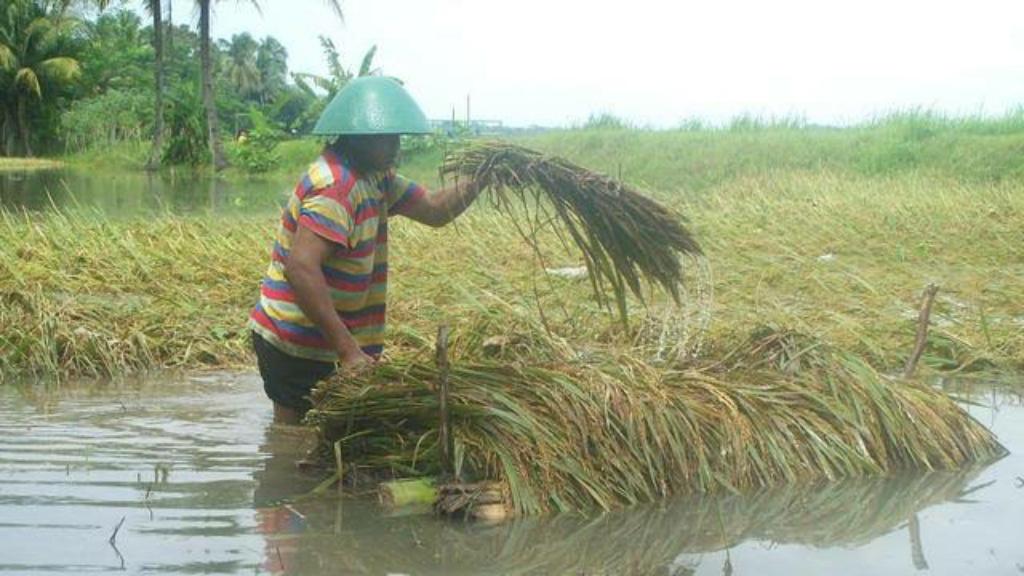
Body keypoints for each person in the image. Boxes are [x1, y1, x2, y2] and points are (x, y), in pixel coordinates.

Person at [249, 77, 483, 424]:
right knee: (294, 442)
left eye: (396, 137)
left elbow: (434, 209)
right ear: (355, 137)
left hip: (327, 340)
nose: (394, 146)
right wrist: (349, 352)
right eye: (384, 138)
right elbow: (300, 268)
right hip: (297, 344)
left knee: (326, 440)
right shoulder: (337, 188)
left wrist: (483, 177)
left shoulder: (376, 177)